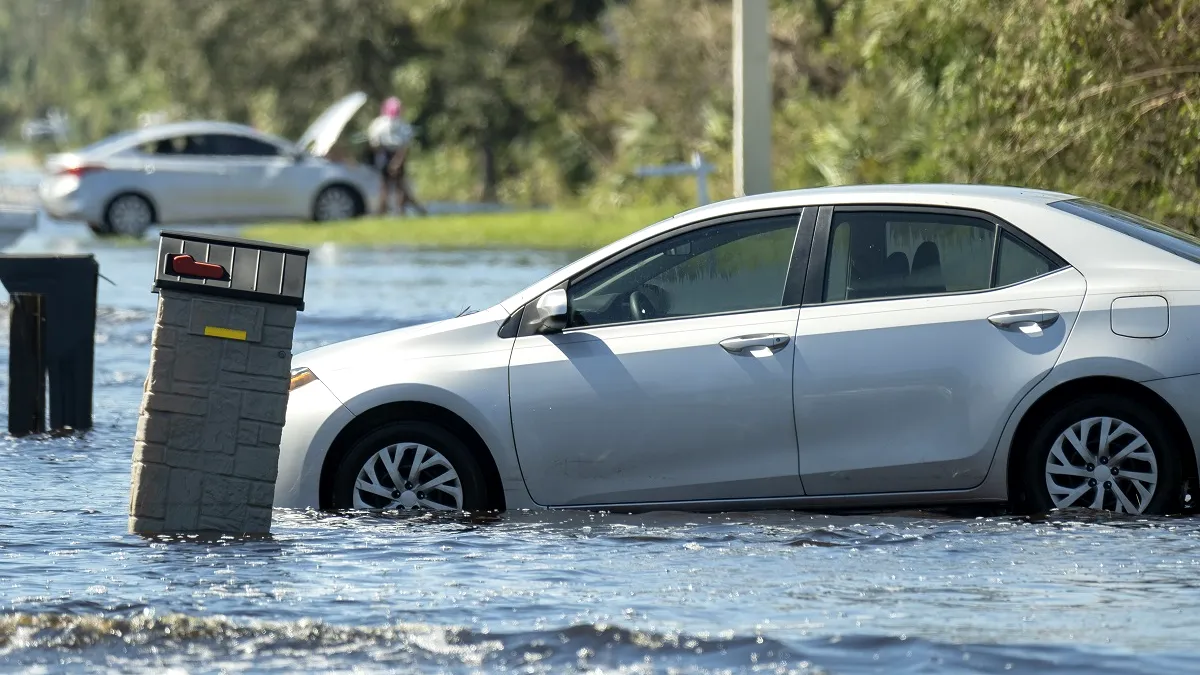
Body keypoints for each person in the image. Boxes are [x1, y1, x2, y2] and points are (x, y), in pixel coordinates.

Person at [367, 96, 427, 216]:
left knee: (388, 185)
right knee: (397, 186)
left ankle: (386, 212)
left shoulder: (378, 124)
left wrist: (388, 160)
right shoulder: (402, 125)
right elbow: (404, 146)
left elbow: (374, 144)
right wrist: (398, 161)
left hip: (386, 154)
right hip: (394, 154)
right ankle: (398, 211)